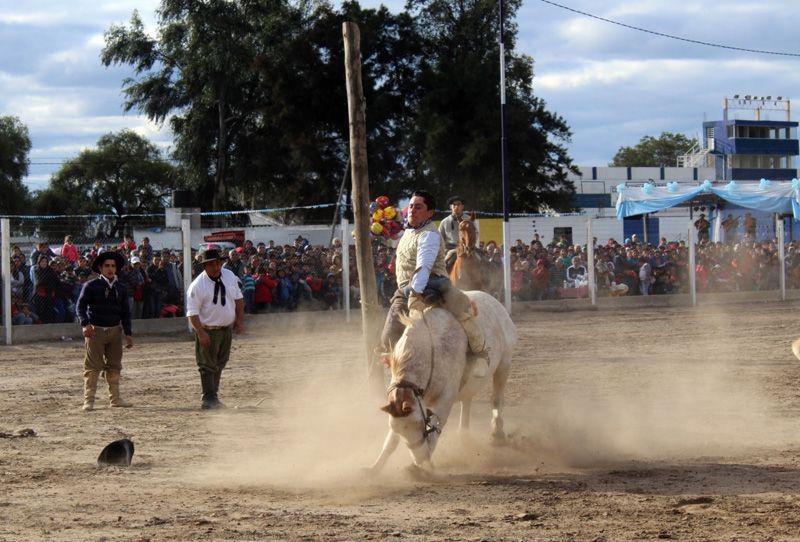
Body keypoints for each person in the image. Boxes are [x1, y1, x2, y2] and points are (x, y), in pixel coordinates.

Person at [381, 190, 489, 378]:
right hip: (440, 258)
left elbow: (423, 266)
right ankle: (393, 367)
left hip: (432, 281)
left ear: (429, 213)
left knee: (462, 312)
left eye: (419, 207)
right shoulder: (414, 229)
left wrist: (415, 292)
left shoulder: (429, 235)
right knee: (387, 334)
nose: (413, 210)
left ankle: (480, 355)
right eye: (411, 206)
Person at [185, 248, 245, 410]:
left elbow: (238, 299)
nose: (216, 267)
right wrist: (201, 332)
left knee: (220, 362)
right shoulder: (197, 285)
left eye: (218, 263)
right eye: (211, 265)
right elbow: (192, 312)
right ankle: (208, 398)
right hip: (208, 329)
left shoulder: (229, 276)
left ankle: (214, 396)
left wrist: (239, 320)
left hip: (226, 329)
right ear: (204, 267)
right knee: (206, 364)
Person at [76, 251, 134, 411]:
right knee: (93, 367)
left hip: (115, 331)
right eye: (107, 266)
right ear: (100, 268)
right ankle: (89, 401)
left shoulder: (121, 288)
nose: (110, 269)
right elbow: (80, 307)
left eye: (113, 266)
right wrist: (85, 324)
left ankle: (115, 399)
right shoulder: (90, 286)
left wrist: (128, 333)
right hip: (95, 331)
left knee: (115, 366)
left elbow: (125, 313)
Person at [438, 195, 477, 271]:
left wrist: (470, 245)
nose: (456, 206)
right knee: (446, 264)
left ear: (462, 206)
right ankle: (445, 280)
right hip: (450, 249)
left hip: (469, 248)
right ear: (450, 207)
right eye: (454, 205)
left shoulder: (469, 219)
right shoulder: (444, 222)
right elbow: (439, 239)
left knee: (482, 260)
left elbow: (476, 234)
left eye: (458, 204)